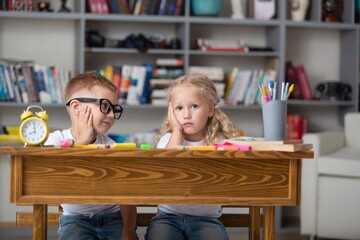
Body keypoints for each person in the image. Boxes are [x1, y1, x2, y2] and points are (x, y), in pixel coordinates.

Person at [44, 72, 137, 240]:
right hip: (75, 220)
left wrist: (128, 232)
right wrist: (82, 142)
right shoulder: (55, 140)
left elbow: (127, 195)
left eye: (114, 109)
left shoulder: (113, 147)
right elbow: (54, 175)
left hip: (112, 218)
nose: (110, 115)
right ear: (77, 107)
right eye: (105, 106)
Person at [145, 74, 238, 240]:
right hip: (167, 218)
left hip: (207, 220)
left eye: (194, 106)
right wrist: (177, 131)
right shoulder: (169, 140)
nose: (186, 114)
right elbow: (163, 169)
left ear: (210, 109)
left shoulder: (220, 143)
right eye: (179, 108)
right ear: (171, 112)